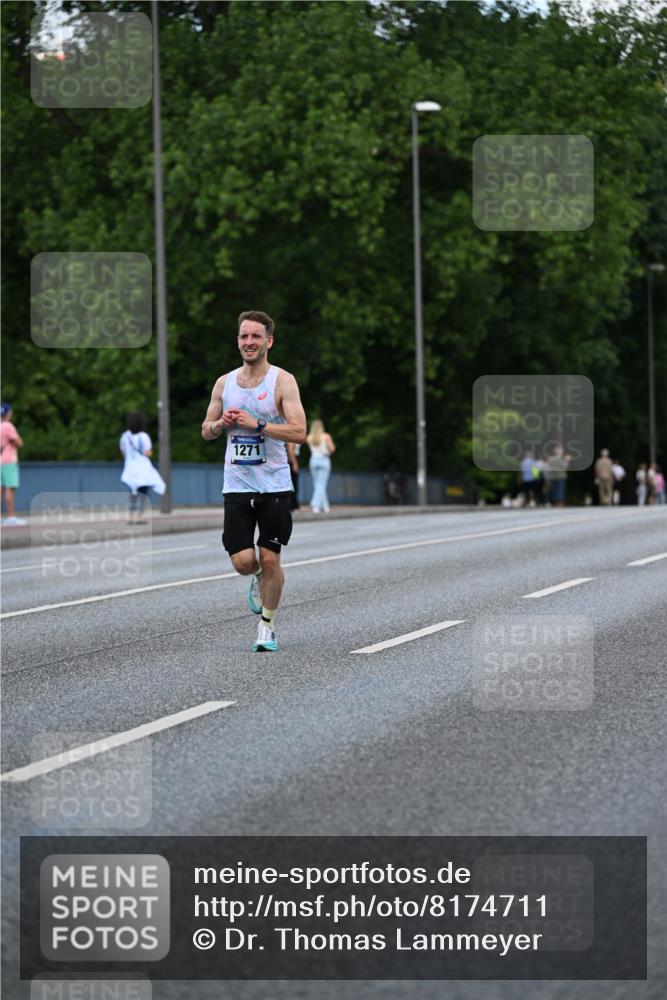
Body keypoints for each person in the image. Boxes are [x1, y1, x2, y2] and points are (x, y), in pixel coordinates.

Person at [201, 310, 306, 652]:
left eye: (256, 336)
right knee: (244, 562)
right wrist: (221, 425)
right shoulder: (224, 383)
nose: (249, 342)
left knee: (271, 557)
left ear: (268, 342)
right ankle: (260, 577)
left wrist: (258, 424)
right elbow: (206, 430)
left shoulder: (283, 381)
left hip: (274, 485)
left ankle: (267, 626)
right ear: (238, 341)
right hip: (237, 484)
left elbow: (299, 432)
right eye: (244, 336)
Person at [119, 411, 166, 524]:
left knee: (132, 492)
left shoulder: (125, 436)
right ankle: (139, 516)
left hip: (130, 468)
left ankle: (131, 516)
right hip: (143, 468)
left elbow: (123, 452)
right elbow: (147, 453)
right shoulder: (144, 436)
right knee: (143, 492)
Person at [0, 402, 26, 525]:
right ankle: (11, 517)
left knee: (0, 490)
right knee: (10, 489)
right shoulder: (7, 426)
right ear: (8, 413)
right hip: (9, 461)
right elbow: (19, 443)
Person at [307, 419, 335, 513]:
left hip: (313, 460)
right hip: (324, 459)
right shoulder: (326, 436)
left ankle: (325, 506)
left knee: (318, 485)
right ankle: (315, 505)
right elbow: (332, 449)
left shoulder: (309, 437)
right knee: (321, 485)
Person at [287, 442, 300, 510]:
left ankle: (294, 504)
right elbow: (290, 450)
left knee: (294, 483)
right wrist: (295, 463)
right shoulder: (291, 439)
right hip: (292, 460)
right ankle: (291, 504)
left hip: (293, 460)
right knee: (293, 484)